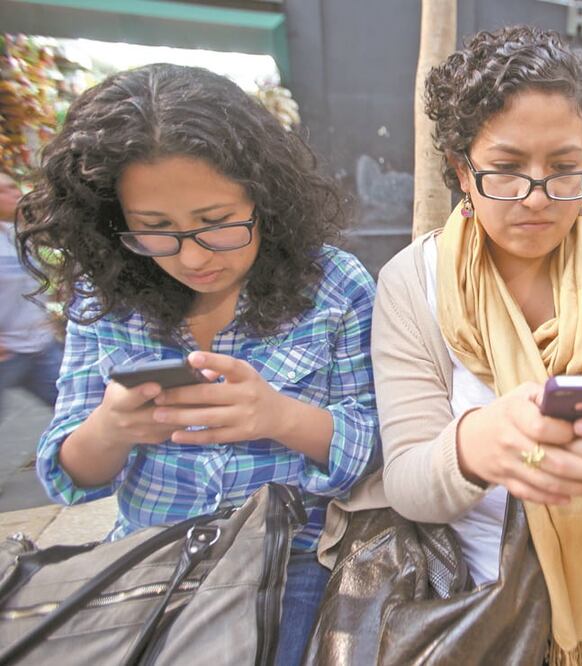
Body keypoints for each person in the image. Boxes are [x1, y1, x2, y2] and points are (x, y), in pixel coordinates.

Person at [340, 26, 582, 666]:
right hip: (484, 592)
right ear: (462, 169)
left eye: (564, 169)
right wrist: (474, 446)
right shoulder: (412, 283)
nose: (537, 197)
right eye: (506, 169)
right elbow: (408, 485)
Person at [16, 64, 380, 665]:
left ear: (264, 198)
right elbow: (69, 478)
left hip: (294, 564)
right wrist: (113, 426)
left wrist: (279, 416)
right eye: (154, 231)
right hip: (150, 559)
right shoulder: (104, 298)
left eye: (216, 224)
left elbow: (376, 453)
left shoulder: (335, 286)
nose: (191, 257)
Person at [0, 171, 63, 421]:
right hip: (7, 354)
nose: (15, 194)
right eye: (4, 190)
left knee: (76, 407)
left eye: (14, 188)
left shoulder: (15, 234)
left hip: (39, 345)